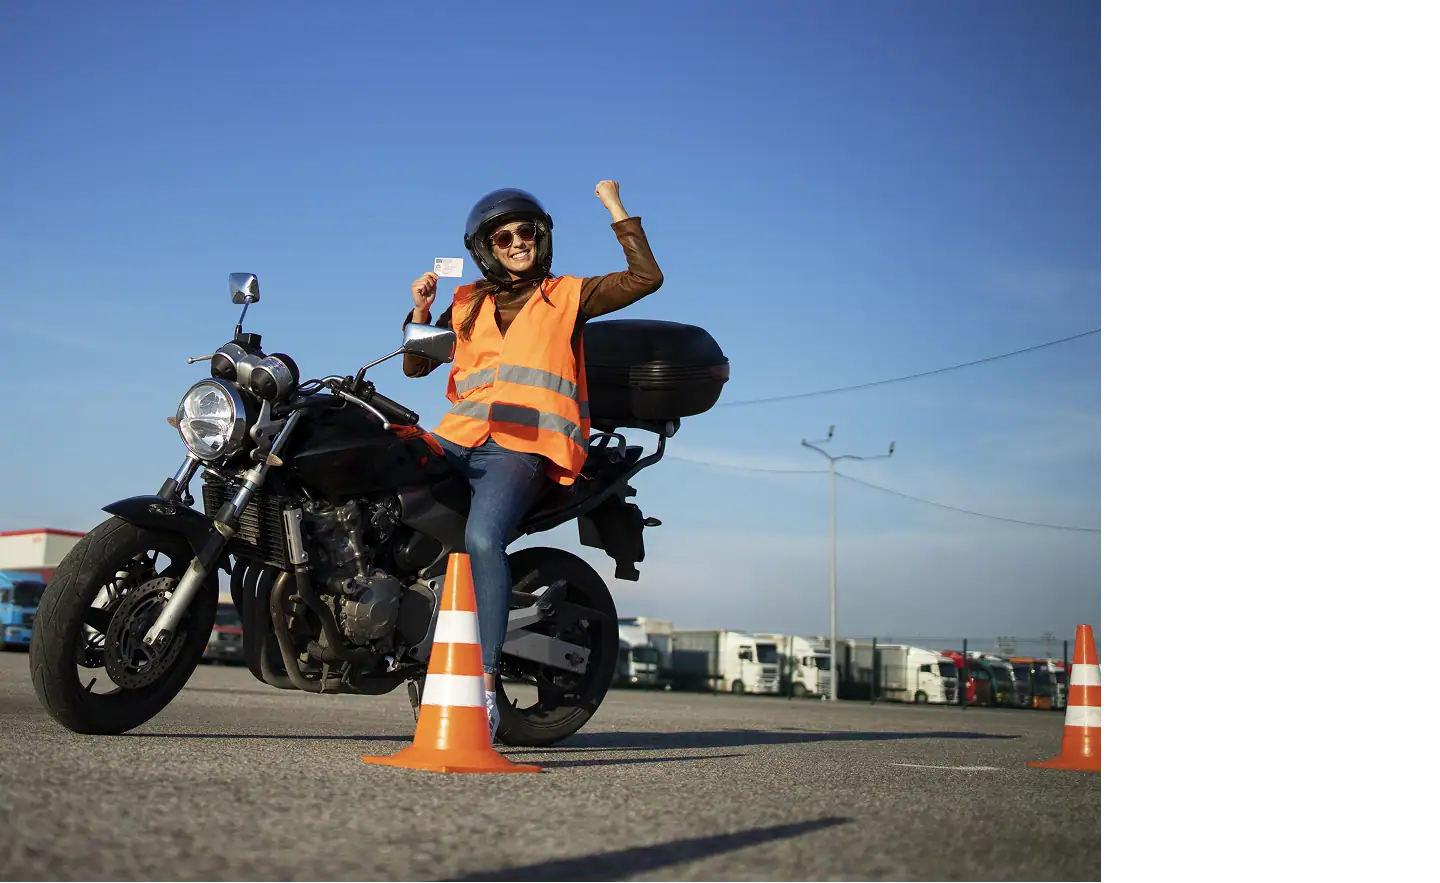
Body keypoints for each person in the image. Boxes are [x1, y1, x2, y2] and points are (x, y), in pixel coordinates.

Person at [402, 181, 663, 741]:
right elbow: (416, 367)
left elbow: (645, 278)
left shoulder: (568, 295)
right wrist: (421, 308)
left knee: (483, 538)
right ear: (487, 249)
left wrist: (615, 208)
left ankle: (485, 686)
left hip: (523, 445)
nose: (518, 242)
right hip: (458, 437)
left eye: (527, 232)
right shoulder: (467, 303)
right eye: (504, 237)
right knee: (381, 476)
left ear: (541, 239)